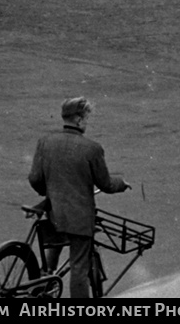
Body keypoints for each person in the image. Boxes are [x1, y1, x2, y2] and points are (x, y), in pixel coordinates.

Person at [28, 96, 130, 299]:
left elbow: (35, 178)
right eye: (86, 118)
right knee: (79, 269)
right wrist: (122, 184)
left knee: (54, 247)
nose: (87, 123)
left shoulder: (45, 142)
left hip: (54, 212)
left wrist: (49, 193)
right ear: (79, 120)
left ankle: (44, 285)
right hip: (79, 219)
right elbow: (106, 184)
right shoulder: (92, 148)